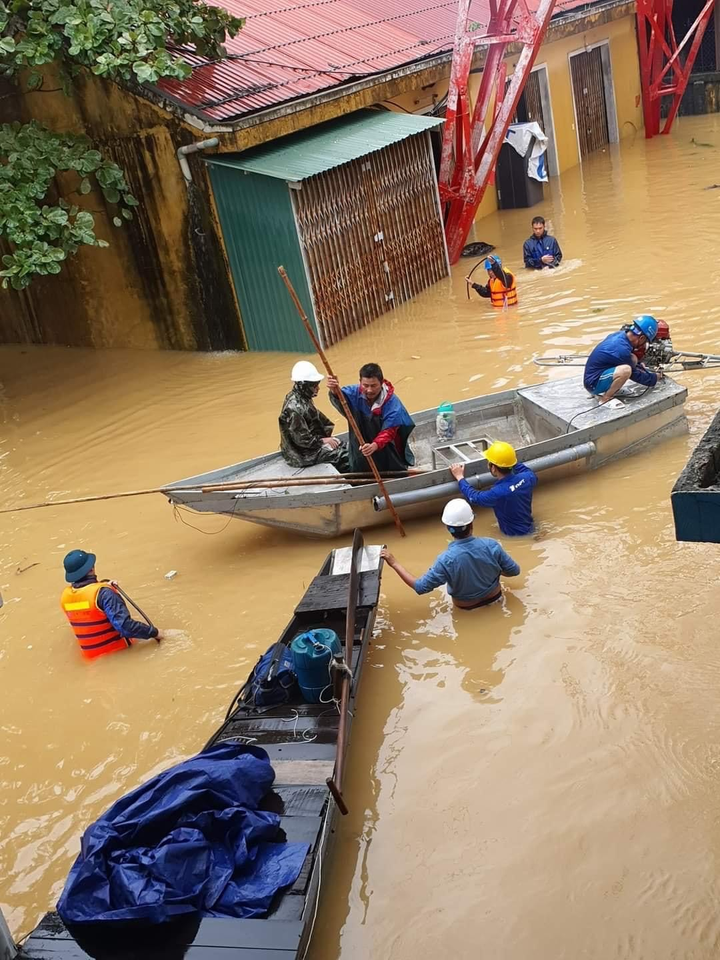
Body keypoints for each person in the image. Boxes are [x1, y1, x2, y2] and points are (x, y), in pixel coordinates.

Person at [380, 499, 520, 609]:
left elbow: (420, 587)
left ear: (448, 528)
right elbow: (514, 571)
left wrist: (394, 563)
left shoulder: (445, 560)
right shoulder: (491, 545)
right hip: (496, 599)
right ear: (471, 524)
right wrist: (493, 569)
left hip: (467, 611)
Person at [60, 550, 163, 660]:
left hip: (91, 659)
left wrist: (103, 587)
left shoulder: (65, 597)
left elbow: (88, 607)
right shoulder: (105, 594)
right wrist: (156, 633)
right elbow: (125, 627)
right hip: (120, 654)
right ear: (91, 568)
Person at [327, 362, 415, 473]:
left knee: (390, 469)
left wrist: (375, 445)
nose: (369, 390)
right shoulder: (353, 393)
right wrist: (334, 390)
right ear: (360, 383)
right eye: (365, 385)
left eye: (373, 386)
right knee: (360, 467)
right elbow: (340, 399)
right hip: (360, 445)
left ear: (381, 383)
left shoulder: (392, 402)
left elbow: (389, 431)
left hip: (385, 447)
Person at [450, 441, 537, 536]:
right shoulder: (528, 477)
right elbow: (524, 469)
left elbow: (474, 497)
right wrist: (507, 459)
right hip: (531, 528)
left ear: (494, 468)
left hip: (515, 536)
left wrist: (460, 477)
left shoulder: (497, 493)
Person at [279, 360, 350, 471]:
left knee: (345, 445)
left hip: (308, 445)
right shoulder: (295, 409)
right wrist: (323, 441)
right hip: (302, 455)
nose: (318, 388)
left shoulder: (302, 397)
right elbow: (302, 440)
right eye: (314, 386)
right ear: (304, 385)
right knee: (345, 457)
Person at [583, 315, 664, 405]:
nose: (643, 345)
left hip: (597, 374)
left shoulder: (620, 335)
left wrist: (640, 365)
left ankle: (612, 387)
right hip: (593, 384)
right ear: (641, 338)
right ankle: (606, 398)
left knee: (632, 358)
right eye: (645, 342)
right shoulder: (621, 350)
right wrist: (654, 378)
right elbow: (635, 374)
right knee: (626, 370)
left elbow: (629, 360)